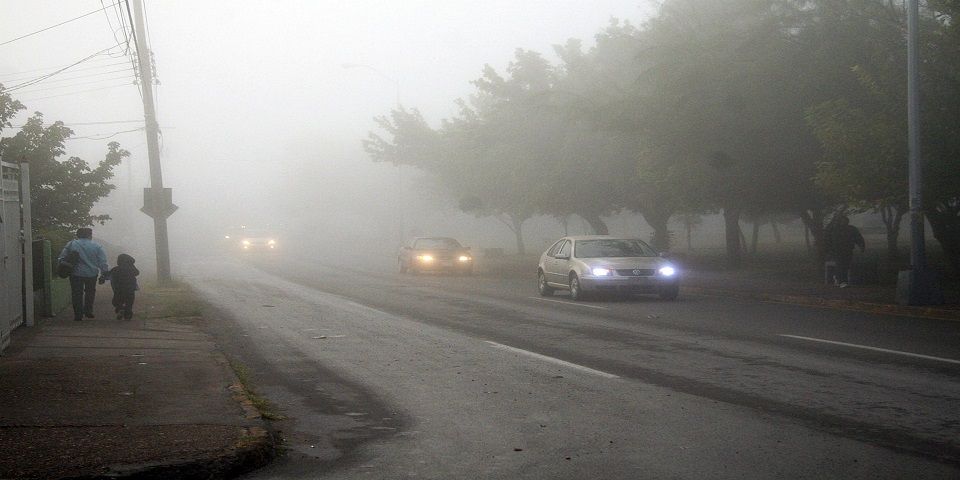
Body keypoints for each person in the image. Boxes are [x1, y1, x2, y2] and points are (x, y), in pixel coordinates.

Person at [58, 227, 109, 321]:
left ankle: (78, 314)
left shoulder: (71, 244)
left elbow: (62, 258)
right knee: (90, 292)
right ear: (90, 235)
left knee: (76, 293)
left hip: (75, 273)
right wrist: (104, 274)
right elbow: (102, 262)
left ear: (78, 235)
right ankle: (88, 310)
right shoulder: (97, 246)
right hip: (92, 274)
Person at [826, 215, 865, 287]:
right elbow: (829, 239)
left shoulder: (851, 229)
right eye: (842, 220)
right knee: (840, 265)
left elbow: (858, 238)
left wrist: (862, 246)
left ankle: (841, 280)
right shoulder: (835, 229)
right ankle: (841, 280)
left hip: (848, 250)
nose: (843, 222)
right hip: (837, 251)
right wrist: (829, 249)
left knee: (846, 265)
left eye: (845, 221)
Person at [105, 253, 139, 320]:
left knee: (116, 301)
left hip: (119, 289)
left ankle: (121, 308)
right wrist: (131, 266)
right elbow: (137, 273)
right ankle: (128, 313)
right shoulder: (132, 269)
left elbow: (108, 275)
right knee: (129, 302)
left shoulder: (116, 269)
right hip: (130, 289)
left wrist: (102, 278)